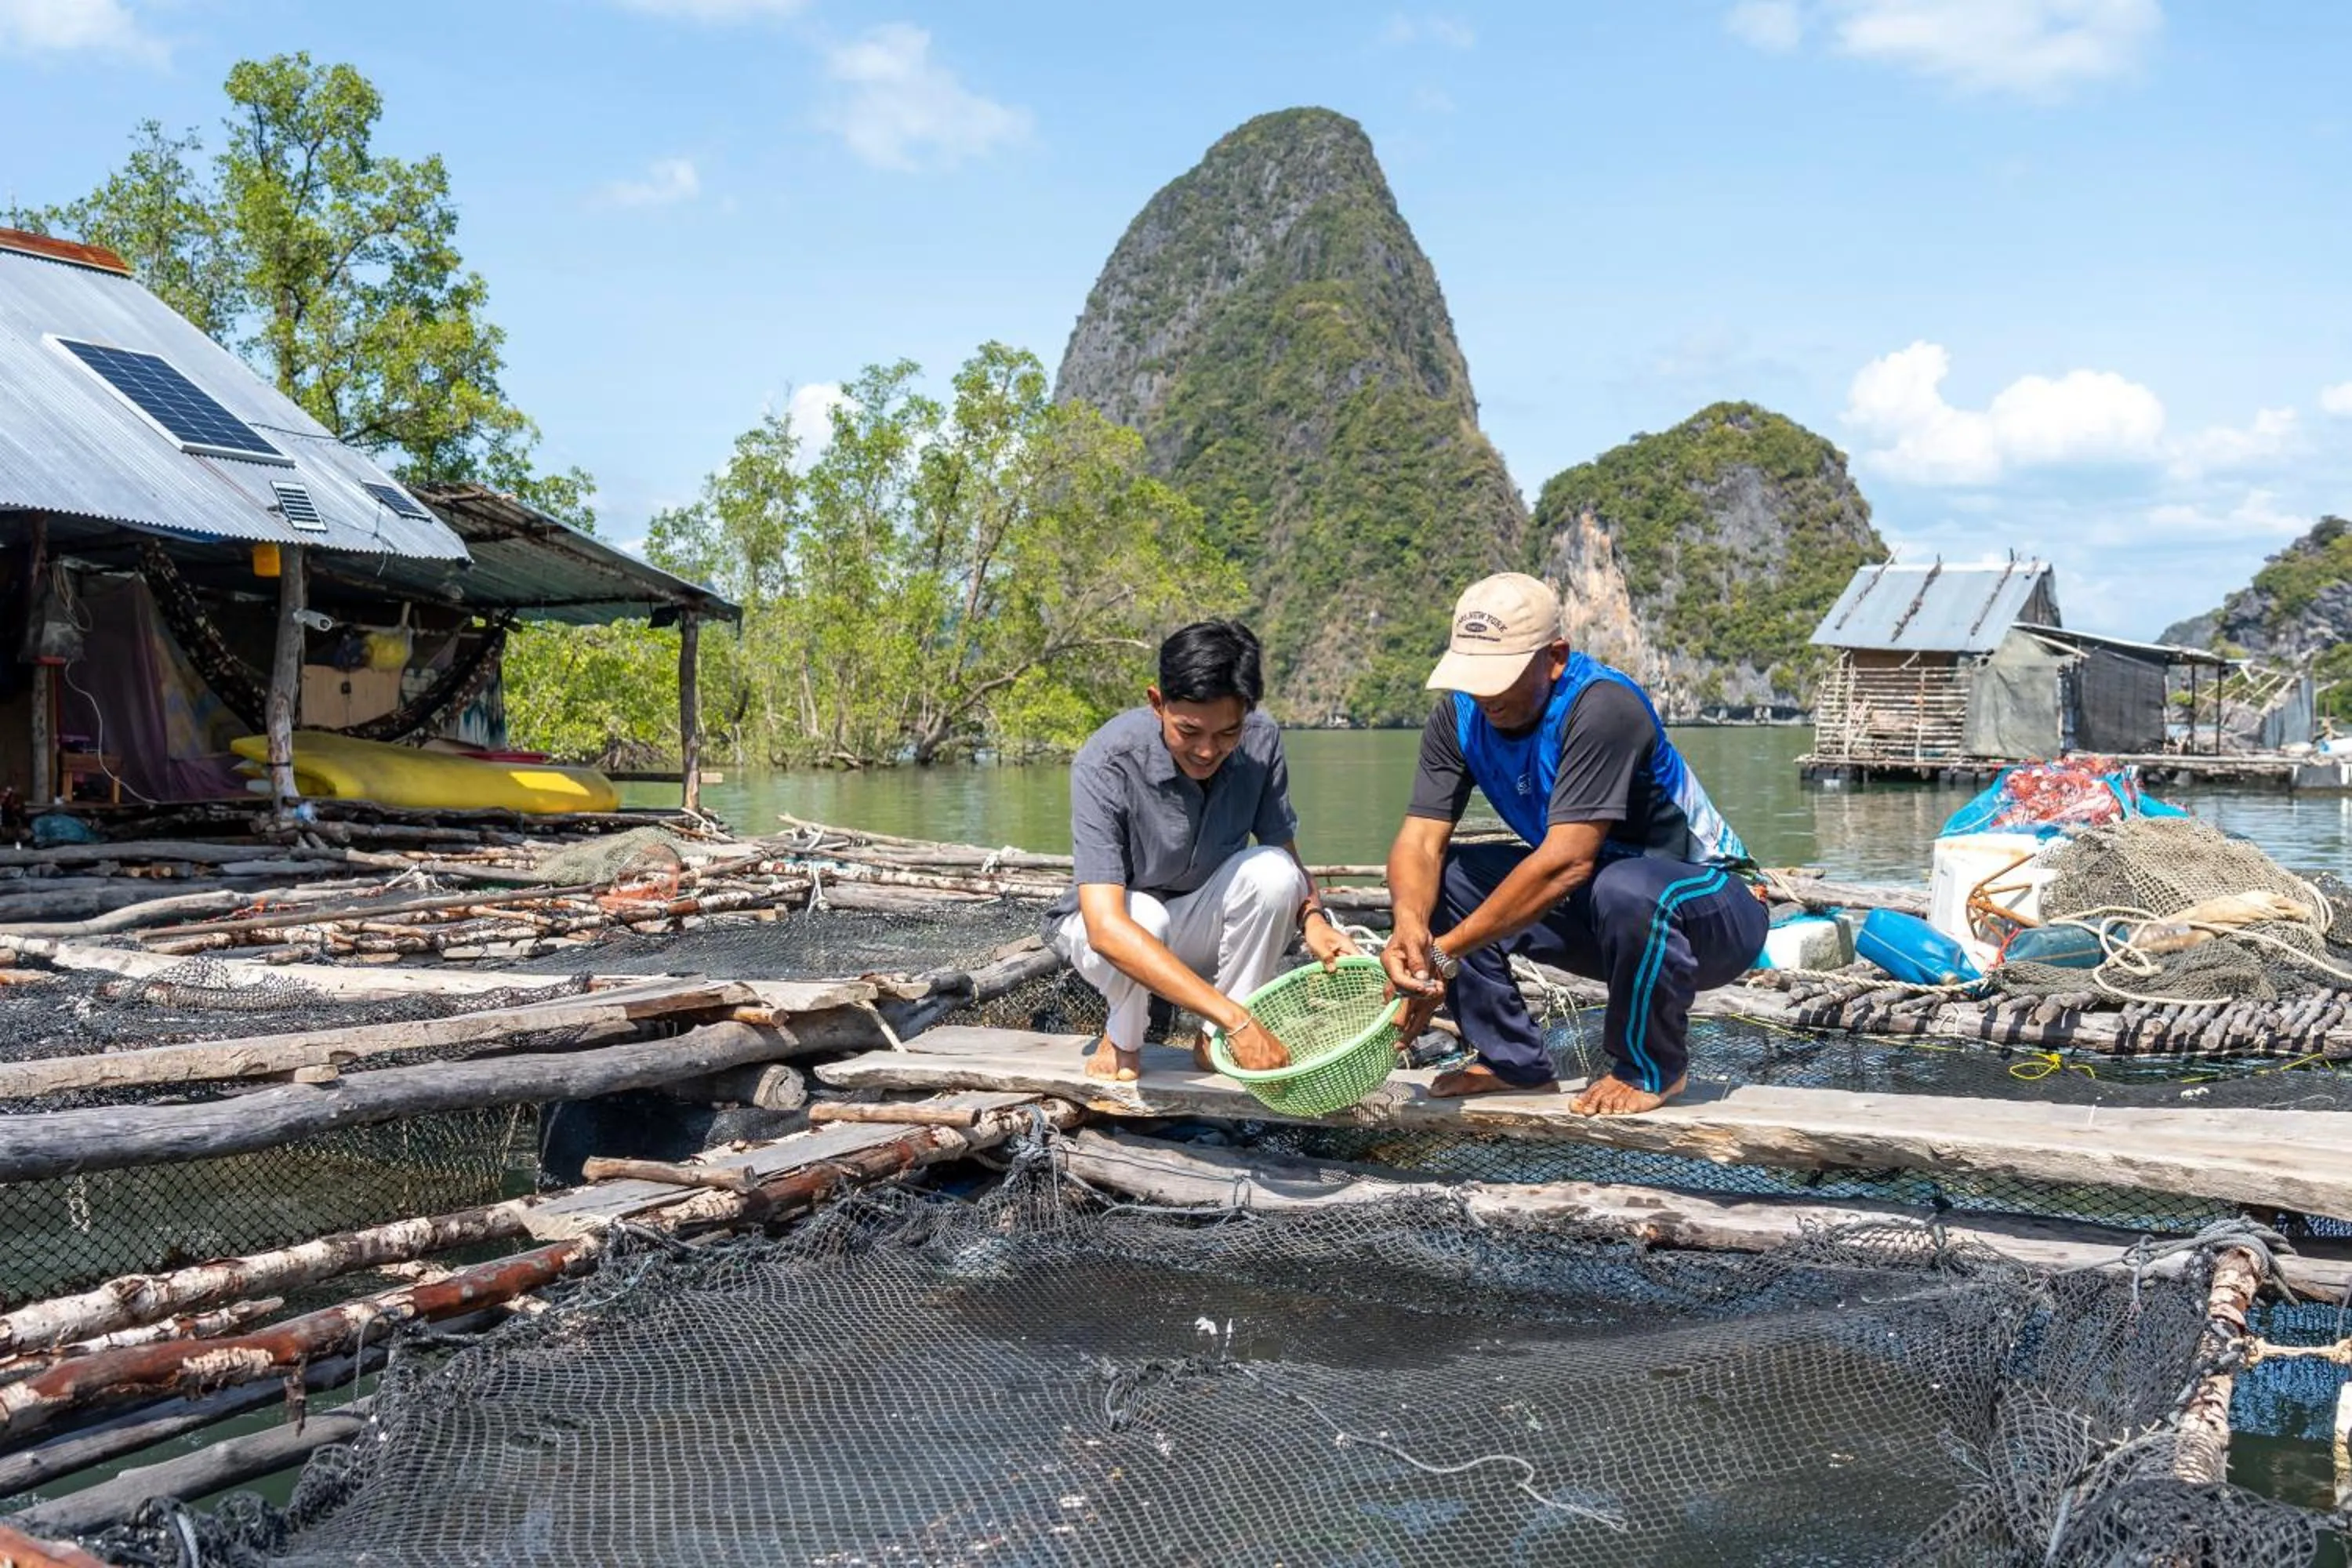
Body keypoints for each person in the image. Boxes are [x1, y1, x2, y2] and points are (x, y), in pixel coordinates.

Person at [1379, 573, 1766, 1116]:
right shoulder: (1458, 719)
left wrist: (1445, 952)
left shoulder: (1601, 707)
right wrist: (1410, 932)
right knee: (1450, 877)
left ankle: (1649, 1067)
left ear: (1555, 658)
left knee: (1625, 887)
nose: (1485, 695)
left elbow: (1567, 862)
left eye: (1499, 676)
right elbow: (1421, 840)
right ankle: (1512, 1062)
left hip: (1715, 910)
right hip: (1605, 914)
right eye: (1472, 676)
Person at [1048, 620, 1358, 1083]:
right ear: (1158, 703)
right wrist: (1240, 1019)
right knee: (1144, 916)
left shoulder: (1262, 741)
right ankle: (1125, 1039)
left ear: (1248, 713)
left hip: (1194, 923)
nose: (1208, 751)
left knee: (1276, 875)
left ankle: (1216, 1042)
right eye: (1189, 731)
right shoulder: (1106, 761)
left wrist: (1314, 919)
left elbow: (1285, 854)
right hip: (1106, 933)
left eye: (1228, 733)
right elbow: (1106, 928)